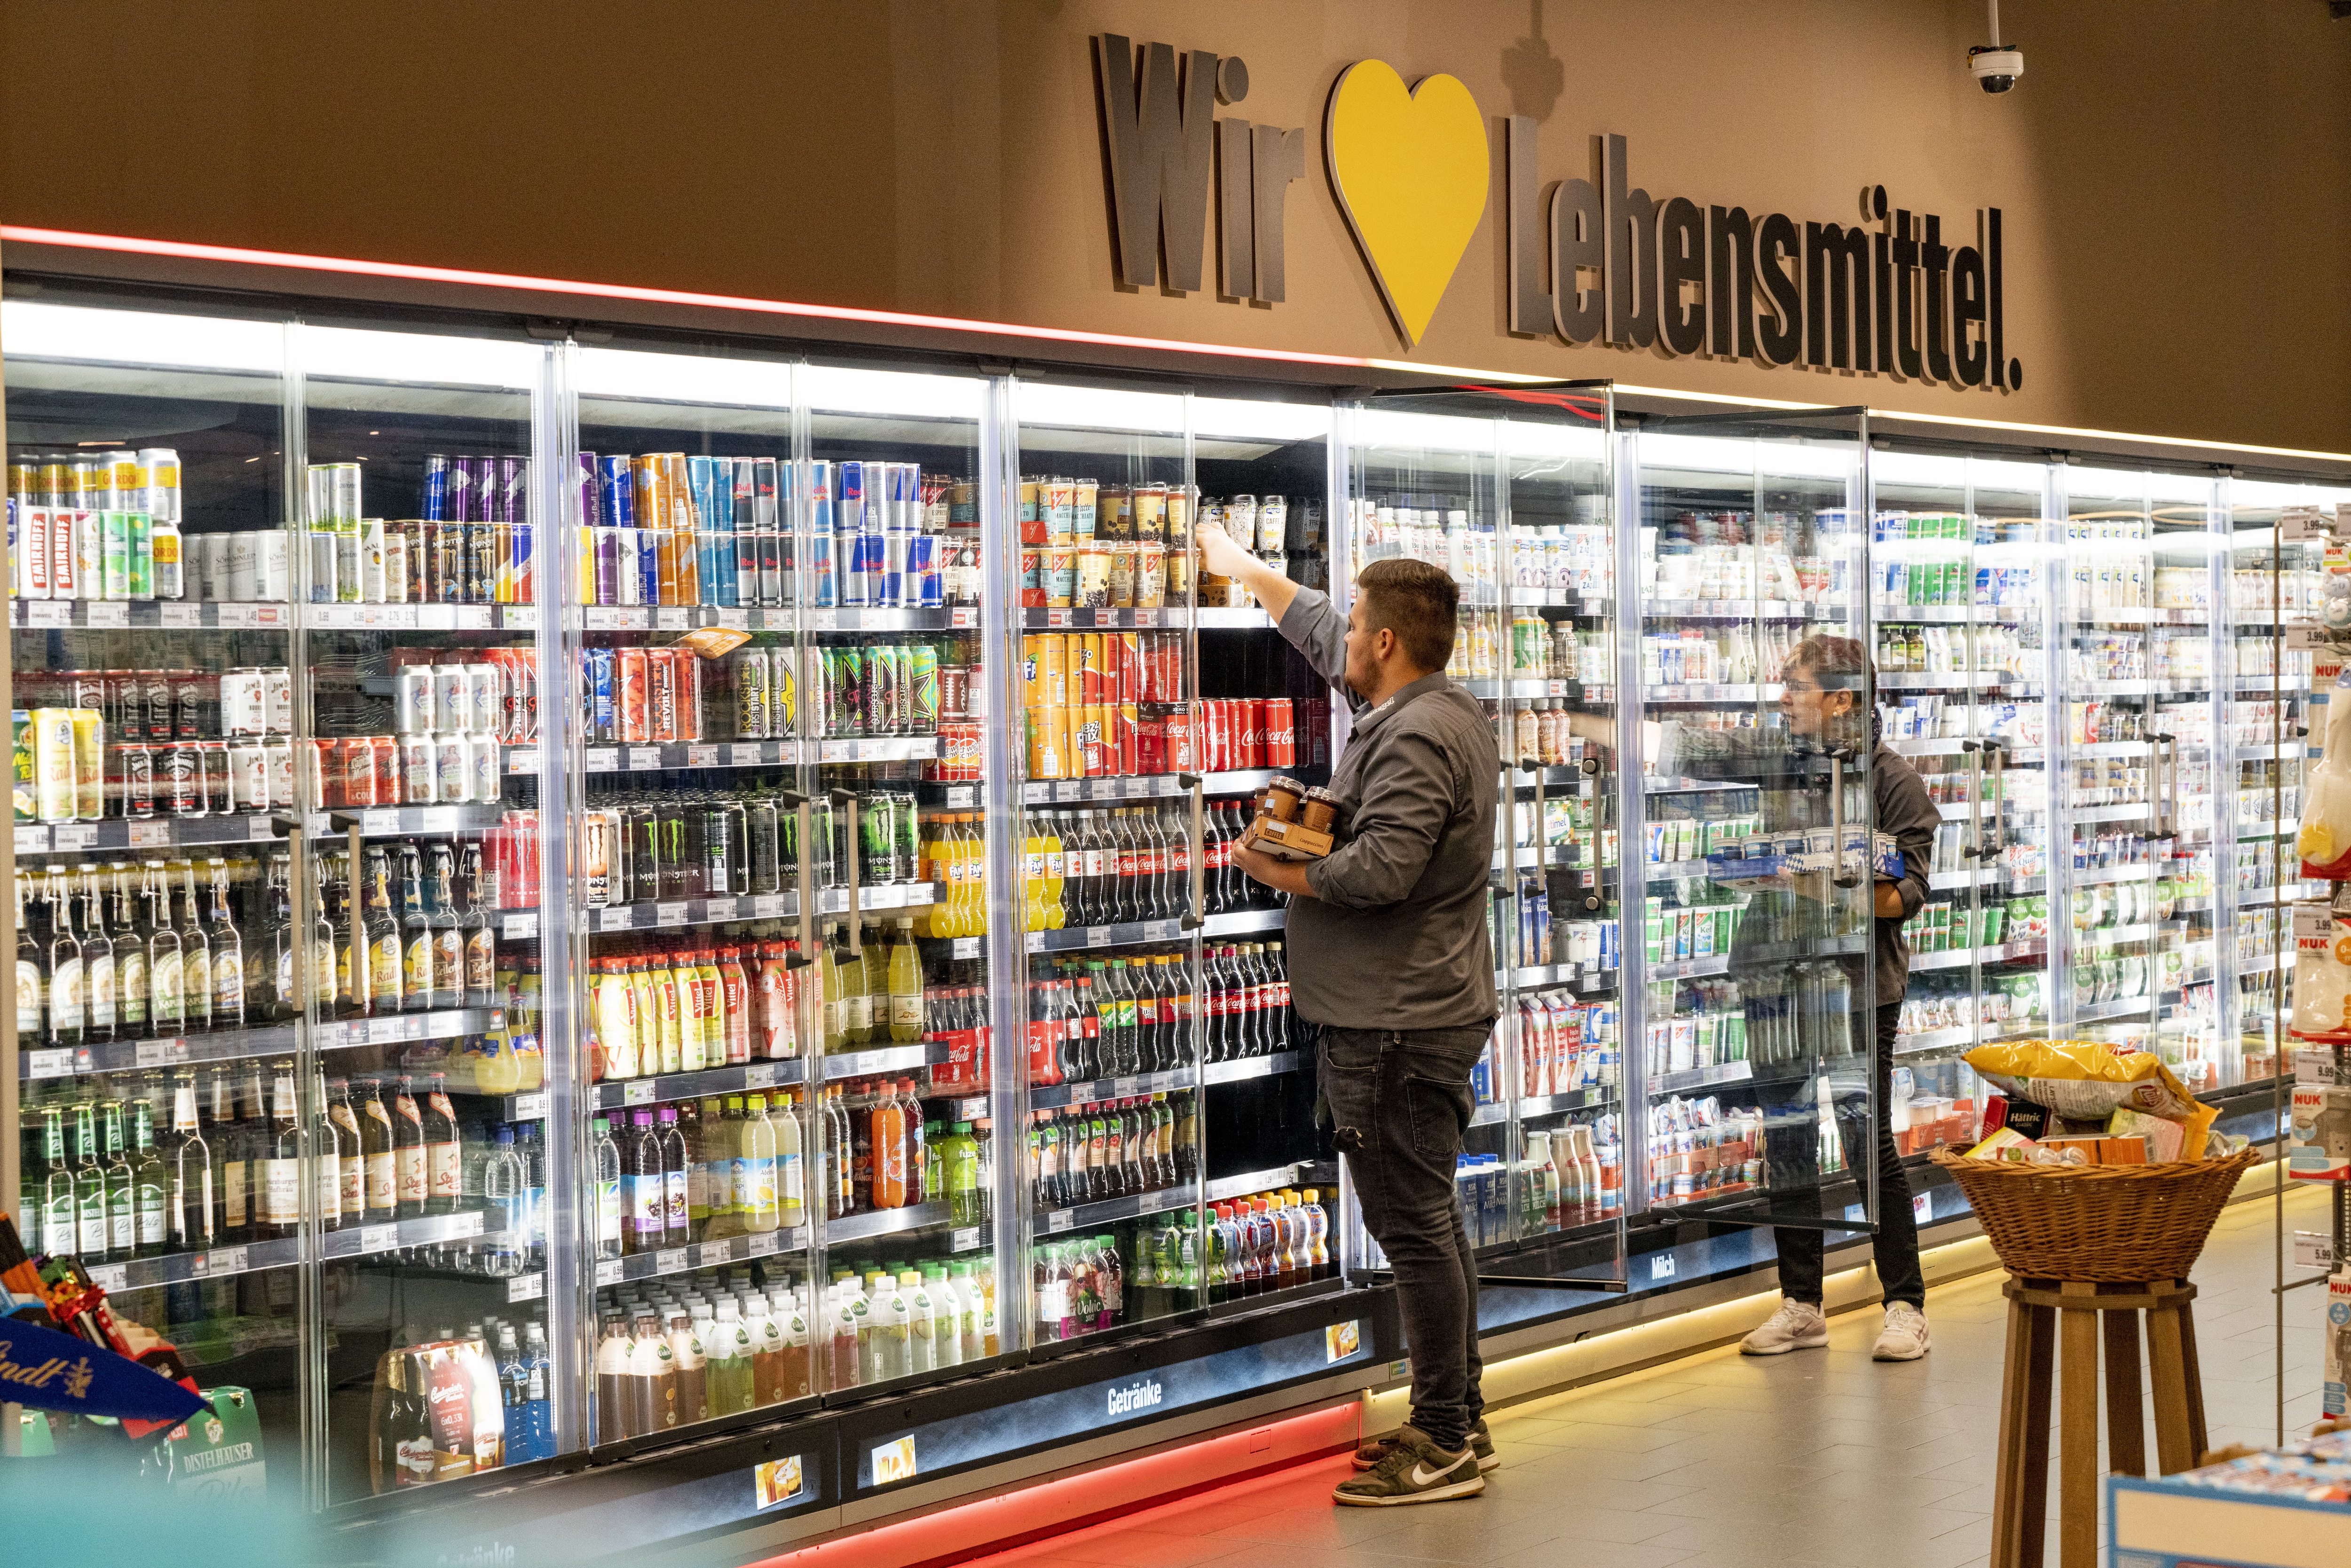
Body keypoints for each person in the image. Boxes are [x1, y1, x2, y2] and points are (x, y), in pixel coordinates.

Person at [1197, 523, 1501, 1507]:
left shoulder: (1414, 733)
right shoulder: (1437, 706)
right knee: (1431, 1222)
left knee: (1412, 1228)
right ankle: (1460, 1418)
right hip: (1412, 1007)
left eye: (1359, 622)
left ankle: (1445, 1437)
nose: (1345, 635)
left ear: (1387, 645)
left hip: (1395, 1018)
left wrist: (1275, 866)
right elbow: (1324, 627)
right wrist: (1244, 571)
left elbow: (1382, 871)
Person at [1567, 634, 1937, 1360]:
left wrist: (1807, 876)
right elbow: (1697, 749)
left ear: (1842, 698)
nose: (1782, 699)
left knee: (1867, 1144)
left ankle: (1905, 1304)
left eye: (1795, 687)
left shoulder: (1895, 783)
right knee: (1788, 1140)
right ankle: (1802, 1302)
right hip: (1774, 976)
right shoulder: (1782, 759)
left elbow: (1905, 899)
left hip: (1857, 989)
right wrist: (1583, 721)